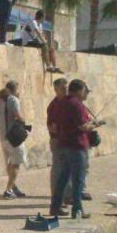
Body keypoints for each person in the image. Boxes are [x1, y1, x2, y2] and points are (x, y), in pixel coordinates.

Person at [50, 79, 101, 219]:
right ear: (79, 90)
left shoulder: (60, 103)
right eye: (85, 91)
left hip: (63, 145)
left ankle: (55, 207)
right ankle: (77, 210)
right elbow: (83, 127)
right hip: (76, 146)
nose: (86, 94)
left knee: (63, 178)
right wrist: (94, 125)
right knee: (78, 180)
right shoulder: (76, 105)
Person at [0, 80, 28, 199]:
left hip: (3, 137)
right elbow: (18, 117)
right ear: (15, 89)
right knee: (16, 164)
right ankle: (8, 189)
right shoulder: (13, 100)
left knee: (10, 163)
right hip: (13, 137)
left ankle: (13, 187)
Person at [46, 77, 68, 212]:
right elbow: (52, 127)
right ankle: (57, 200)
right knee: (58, 171)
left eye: (67, 88)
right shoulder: (54, 106)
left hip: (66, 141)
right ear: (56, 90)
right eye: (63, 88)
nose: (66, 91)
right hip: (58, 141)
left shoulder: (67, 103)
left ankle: (64, 198)